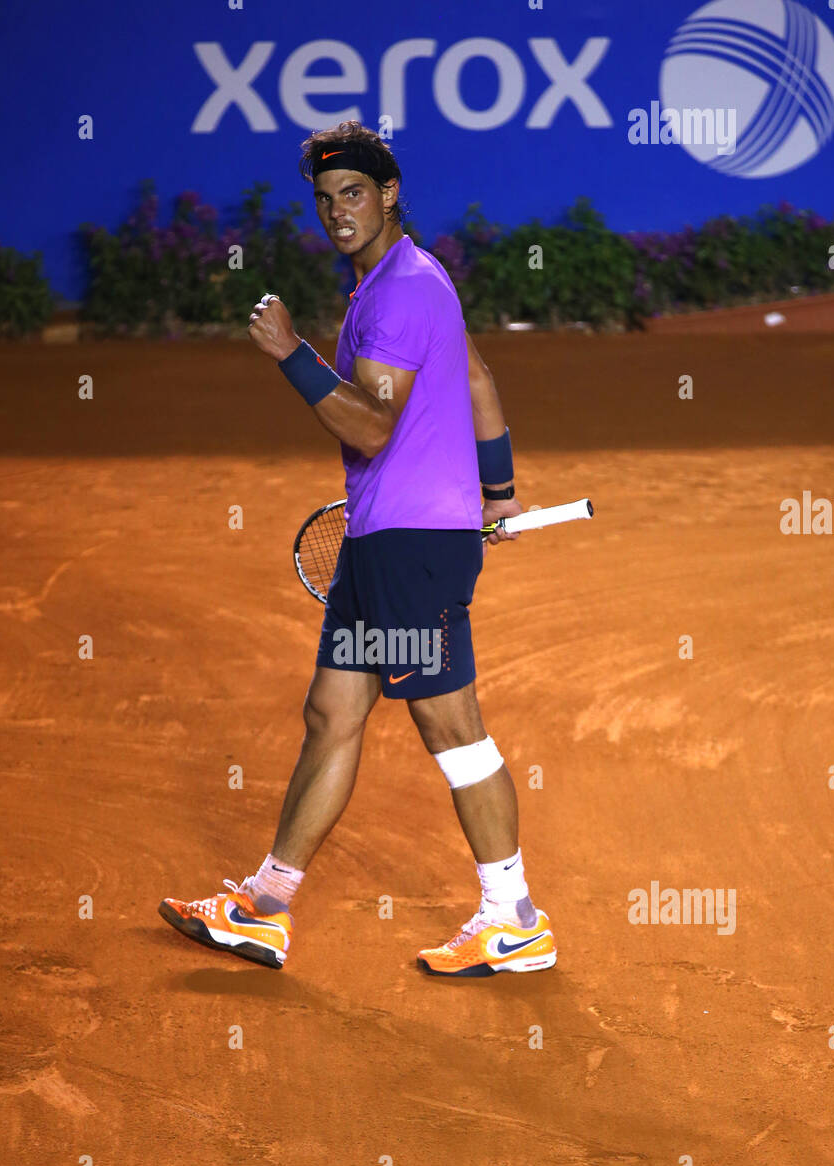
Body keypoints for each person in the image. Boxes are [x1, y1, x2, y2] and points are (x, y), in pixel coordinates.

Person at [159, 122, 555, 979]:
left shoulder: (403, 290)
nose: (338, 212)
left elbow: (372, 428)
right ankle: (263, 908)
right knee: (332, 714)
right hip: (381, 545)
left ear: (389, 195)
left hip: (412, 551)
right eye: (326, 199)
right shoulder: (403, 282)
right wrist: (498, 492)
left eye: (354, 194)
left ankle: (512, 915)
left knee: (450, 728)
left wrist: (291, 355)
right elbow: (478, 377)